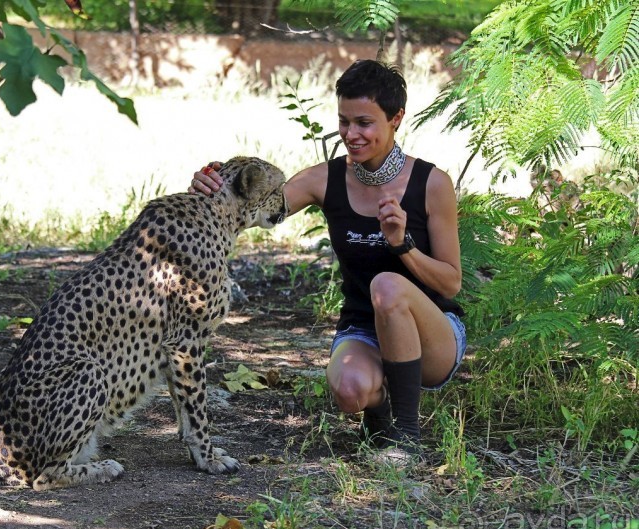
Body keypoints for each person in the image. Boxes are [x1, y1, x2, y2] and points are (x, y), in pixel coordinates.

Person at [190, 59, 466, 464]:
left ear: (397, 118)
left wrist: (403, 245)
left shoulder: (432, 184)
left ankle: (406, 438)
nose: (351, 135)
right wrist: (211, 187)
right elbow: (260, 207)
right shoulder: (325, 179)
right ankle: (379, 415)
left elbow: (451, 283)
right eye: (343, 121)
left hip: (433, 337)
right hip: (364, 330)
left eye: (364, 123)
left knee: (387, 285)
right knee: (349, 391)